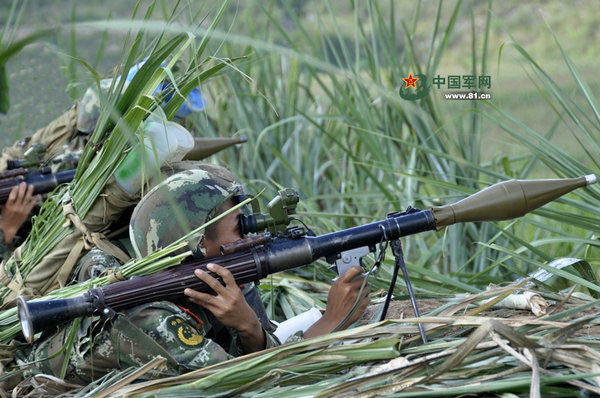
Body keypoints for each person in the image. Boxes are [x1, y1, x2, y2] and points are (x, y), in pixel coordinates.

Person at [12, 163, 369, 385]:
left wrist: (249, 324)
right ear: (197, 248)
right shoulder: (155, 322)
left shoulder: (189, 281)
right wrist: (330, 323)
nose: (251, 234)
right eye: (239, 227)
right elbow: (257, 382)